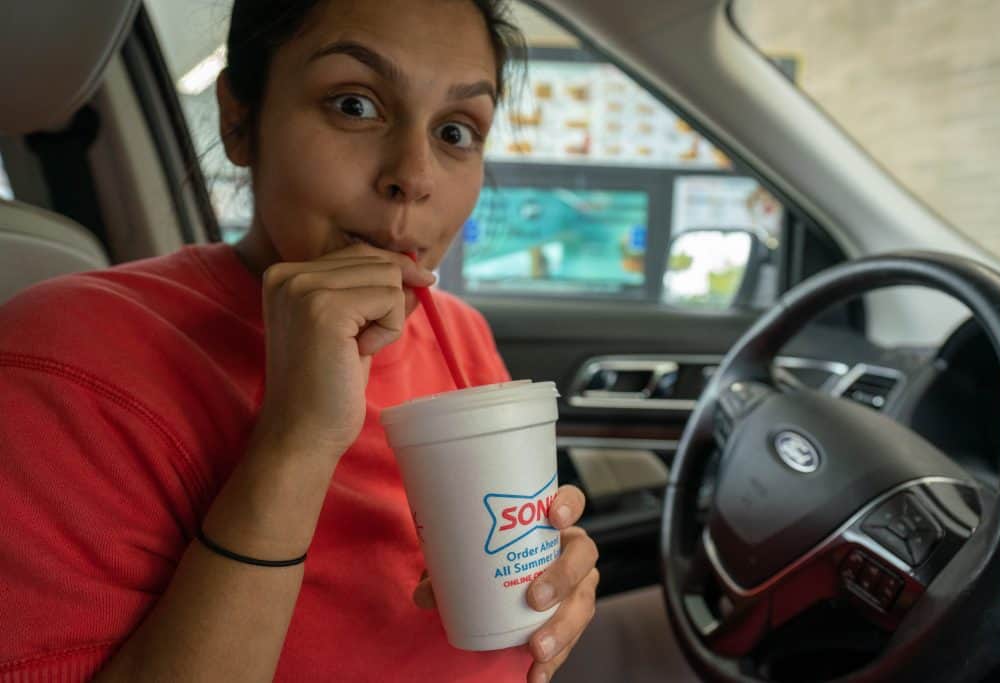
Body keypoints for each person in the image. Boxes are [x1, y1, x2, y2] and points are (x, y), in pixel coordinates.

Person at [0, 1, 605, 681]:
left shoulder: (458, 333)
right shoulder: (68, 357)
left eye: (456, 131)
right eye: (353, 104)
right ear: (239, 118)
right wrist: (296, 442)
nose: (415, 174)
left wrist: (550, 591)